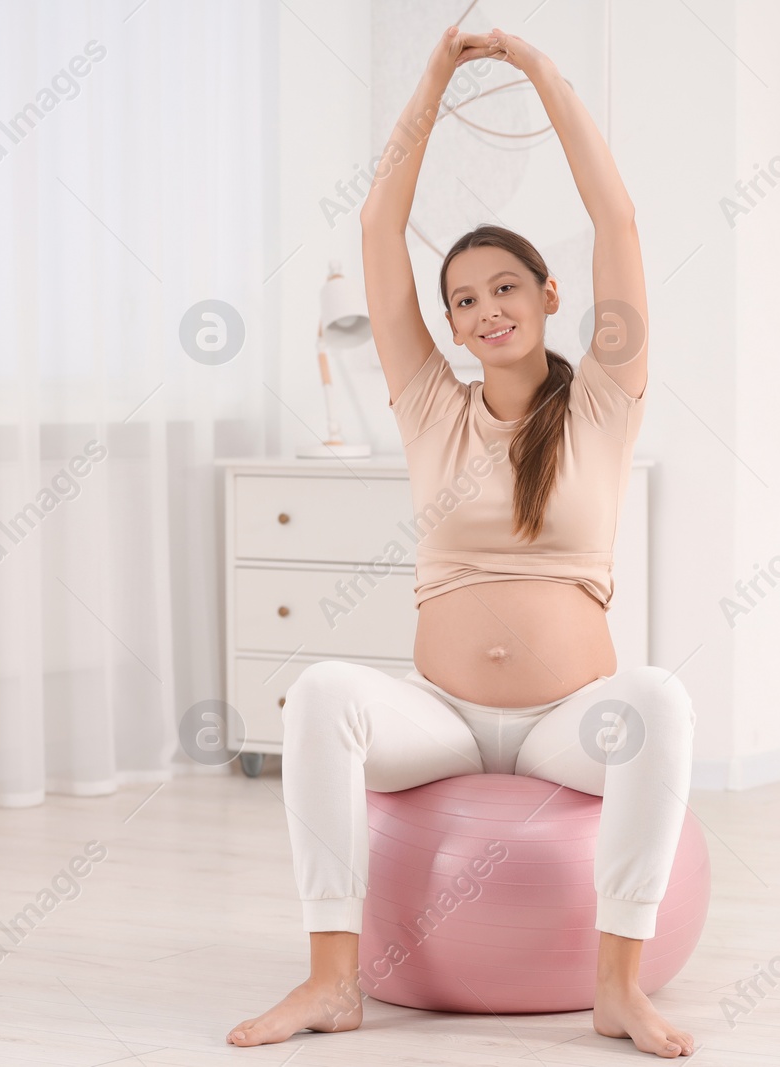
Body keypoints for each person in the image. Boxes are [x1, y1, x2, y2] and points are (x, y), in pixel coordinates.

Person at [227, 25, 697, 1059]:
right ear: (446, 321)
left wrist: (541, 74)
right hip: (438, 715)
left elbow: (614, 215)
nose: (486, 308)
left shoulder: (605, 402)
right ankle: (331, 980)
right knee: (319, 691)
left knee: (661, 697)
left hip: (567, 719)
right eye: (464, 298)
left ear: (548, 297)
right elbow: (377, 224)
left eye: (506, 288)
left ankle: (616, 986)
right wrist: (433, 80)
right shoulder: (432, 405)